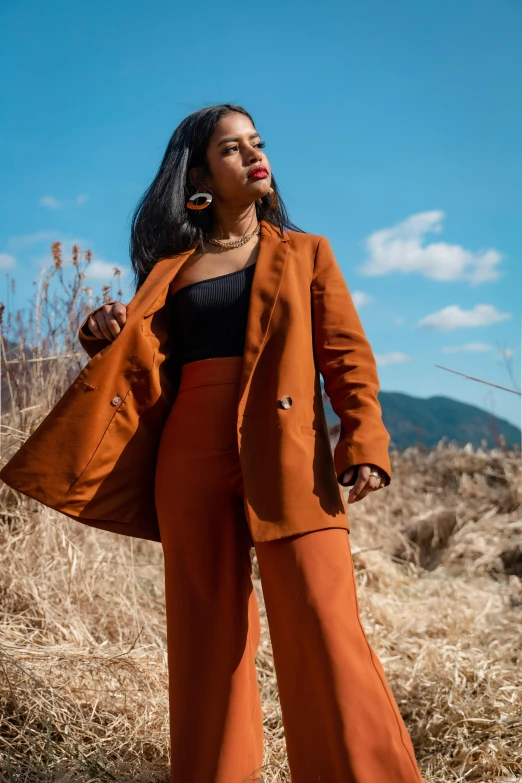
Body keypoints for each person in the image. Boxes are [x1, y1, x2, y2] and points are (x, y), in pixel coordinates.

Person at [0, 104, 424, 783]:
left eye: (257, 143)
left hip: (289, 452)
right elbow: (148, 363)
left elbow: (347, 354)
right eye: (233, 148)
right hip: (189, 457)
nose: (255, 155)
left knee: (324, 628)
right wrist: (105, 327)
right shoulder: (171, 270)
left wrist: (363, 437)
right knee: (207, 644)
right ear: (199, 173)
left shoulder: (307, 253)